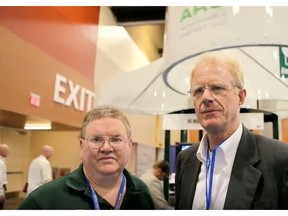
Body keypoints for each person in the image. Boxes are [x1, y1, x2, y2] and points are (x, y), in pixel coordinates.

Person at [175, 51, 288, 210]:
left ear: (241, 97)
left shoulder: (280, 160)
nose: (206, 97)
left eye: (217, 87)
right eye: (198, 90)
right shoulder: (186, 160)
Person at [18, 105, 155, 210]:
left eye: (116, 139)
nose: (106, 148)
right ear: (81, 146)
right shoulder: (45, 200)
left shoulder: (141, 192)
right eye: (96, 139)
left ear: (129, 145)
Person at [0, 143, 9, 210]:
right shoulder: (1, 162)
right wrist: (1, 193)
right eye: (7, 150)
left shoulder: (2, 161)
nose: (9, 152)